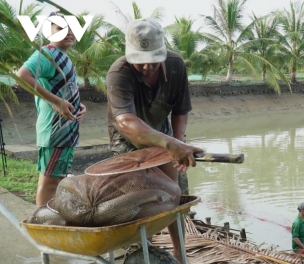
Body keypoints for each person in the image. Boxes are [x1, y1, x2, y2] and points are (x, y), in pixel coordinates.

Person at [106, 18, 204, 262]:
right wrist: (170, 144)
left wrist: (178, 142)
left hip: (164, 132)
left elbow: (181, 110)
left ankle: (180, 252)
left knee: (175, 196)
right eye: (140, 61)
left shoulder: (176, 65)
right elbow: (125, 121)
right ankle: (141, 252)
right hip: (127, 139)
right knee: (137, 200)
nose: (147, 67)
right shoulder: (119, 73)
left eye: (153, 59)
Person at [16, 11, 86, 207]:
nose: (69, 32)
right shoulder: (48, 54)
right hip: (56, 132)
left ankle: (49, 221)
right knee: (50, 183)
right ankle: (43, 223)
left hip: (64, 132)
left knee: (55, 181)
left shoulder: (61, 56)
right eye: (61, 28)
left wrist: (78, 105)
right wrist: (57, 102)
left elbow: (63, 89)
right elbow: (22, 76)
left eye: (72, 27)